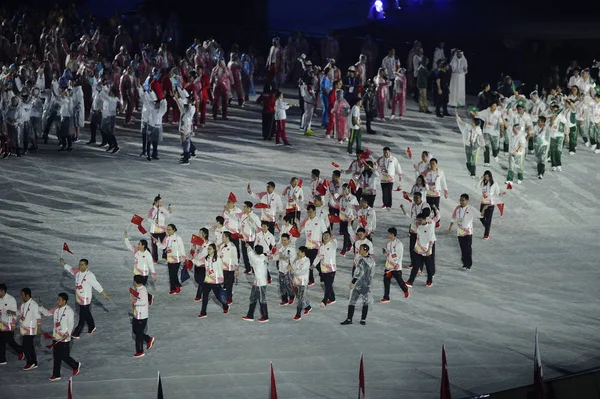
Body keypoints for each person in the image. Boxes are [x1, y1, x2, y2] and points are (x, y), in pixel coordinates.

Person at [59, 258, 109, 338]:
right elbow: (70, 269)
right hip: (79, 298)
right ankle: (92, 327)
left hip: (85, 299)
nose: (80, 266)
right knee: (86, 314)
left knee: (82, 317)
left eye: (82, 265)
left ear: (86, 265)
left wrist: (104, 294)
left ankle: (76, 333)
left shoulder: (90, 275)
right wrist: (63, 263)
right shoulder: (77, 272)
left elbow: (96, 285)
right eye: (79, 264)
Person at [40, 293, 80, 381]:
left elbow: (71, 324)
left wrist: (67, 333)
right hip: (56, 337)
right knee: (56, 357)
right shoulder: (56, 309)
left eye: (59, 300)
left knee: (65, 357)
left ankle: (75, 365)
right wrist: (40, 307)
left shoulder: (69, 311)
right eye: (57, 299)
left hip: (64, 338)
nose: (57, 301)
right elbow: (47, 313)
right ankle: (56, 374)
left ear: (64, 301)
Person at [341, 244, 375, 325]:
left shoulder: (361, 260)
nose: (359, 250)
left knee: (352, 302)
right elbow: (372, 273)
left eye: (361, 249)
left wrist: (353, 283)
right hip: (367, 285)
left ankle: (349, 319)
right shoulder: (372, 260)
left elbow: (358, 273)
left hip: (359, 284)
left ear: (365, 251)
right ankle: (363, 319)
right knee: (365, 302)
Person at [448, 194, 483, 270]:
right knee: (462, 248)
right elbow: (453, 217)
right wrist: (450, 226)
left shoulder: (471, 209)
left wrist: (484, 210)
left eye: (463, 200)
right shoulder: (457, 208)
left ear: (467, 201)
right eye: (460, 200)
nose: (461, 202)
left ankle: (468, 264)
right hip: (459, 232)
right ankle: (464, 263)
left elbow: (480, 215)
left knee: (467, 248)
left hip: (467, 232)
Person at [124, 231, 157, 305]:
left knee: (141, 288)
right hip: (136, 273)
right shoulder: (136, 250)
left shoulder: (147, 254)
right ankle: (147, 298)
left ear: (143, 246)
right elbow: (128, 245)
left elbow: (151, 264)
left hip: (144, 274)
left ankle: (148, 298)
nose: (137, 245)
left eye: (139, 244)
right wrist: (126, 237)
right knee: (139, 288)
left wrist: (154, 273)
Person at [406, 209, 436, 288]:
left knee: (429, 267)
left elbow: (432, 240)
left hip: (426, 251)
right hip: (418, 250)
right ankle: (410, 281)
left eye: (420, 220)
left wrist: (429, 250)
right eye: (418, 220)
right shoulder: (418, 226)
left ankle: (429, 281)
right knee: (415, 266)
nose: (418, 222)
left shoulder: (429, 228)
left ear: (424, 219)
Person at [198, 244, 230, 318]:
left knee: (218, 297)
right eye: (208, 249)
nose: (208, 250)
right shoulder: (206, 258)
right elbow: (199, 263)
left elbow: (220, 270)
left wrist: (221, 280)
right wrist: (192, 259)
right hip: (207, 281)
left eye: (210, 249)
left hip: (215, 282)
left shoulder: (218, 259)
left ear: (214, 250)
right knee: (205, 296)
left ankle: (226, 306)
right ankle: (203, 312)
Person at [156, 224, 186, 295]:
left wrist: (183, 257)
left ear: (174, 230)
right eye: (167, 229)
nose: (168, 231)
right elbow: (163, 247)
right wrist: (157, 243)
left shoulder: (178, 238)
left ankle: (177, 286)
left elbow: (182, 247)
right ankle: (173, 288)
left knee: (174, 274)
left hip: (177, 259)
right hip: (169, 259)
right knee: (171, 274)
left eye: (170, 229)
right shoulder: (166, 238)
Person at [242, 245, 269, 322]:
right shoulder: (263, 258)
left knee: (261, 299)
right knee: (253, 298)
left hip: (260, 283)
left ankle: (265, 316)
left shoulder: (259, 259)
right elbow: (252, 260)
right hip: (257, 282)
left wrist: (248, 247)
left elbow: (252, 256)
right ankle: (250, 315)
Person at [381, 227, 409, 302]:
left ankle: (405, 289)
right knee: (386, 281)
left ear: (392, 234)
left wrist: (397, 264)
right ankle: (386, 297)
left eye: (389, 234)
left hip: (396, 266)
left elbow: (400, 255)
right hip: (388, 266)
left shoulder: (399, 244)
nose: (388, 235)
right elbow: (388, 253)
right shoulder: (388, 243)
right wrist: (385, 253)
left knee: (399, 281)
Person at [130, 275, 155, 357]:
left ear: (135, 282)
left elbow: (144, 302)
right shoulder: (140, 289)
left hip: (142, 316)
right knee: (135, 331)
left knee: (138, 335)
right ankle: (148, 339)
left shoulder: (142, 291)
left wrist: (134, 302)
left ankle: (140, 351)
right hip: (137, 314)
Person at [456, 111, 485, 178]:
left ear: (475, 123)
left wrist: (483, 145)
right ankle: (469, 168)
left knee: (473, 159)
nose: (472, 122)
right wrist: (457, 117)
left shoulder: (478, 130)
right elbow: (461, 123)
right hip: (468, 144)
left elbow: (481, 138)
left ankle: (473, 173)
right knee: (468, 157)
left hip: (474, 145)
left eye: (473, 122)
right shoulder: (469, 126)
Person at [473, 101, 502, 166]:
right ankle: (486, 161)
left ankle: (495, 155)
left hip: (495, 133)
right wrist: (472, 112)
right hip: (487, 131)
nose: (494, 108)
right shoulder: (486, 112)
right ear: (490, 107)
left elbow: (501, 122)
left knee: (495, 147)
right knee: (486, 146)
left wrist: (502, 130)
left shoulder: (498, 113)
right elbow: (477, 114)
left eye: (495, 106)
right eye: (493, 106)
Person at [18, 287, 41, 370]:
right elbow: (20, 313)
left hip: (31, 329)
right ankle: (34, 362)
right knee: (30, 347)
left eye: (22, 295)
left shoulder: (34, 305)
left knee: (25, 346)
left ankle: (30, 362)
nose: (21, 296)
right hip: (24, 328)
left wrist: (39, 328)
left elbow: (38, 317)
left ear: (27, 295)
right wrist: (12, 312)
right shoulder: (23, 305)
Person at [0, 284, 23, 365]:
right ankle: (2, 359)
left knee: (10, 341)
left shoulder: (11, 299)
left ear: (2, 291)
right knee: (1, 342)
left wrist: (13, 324)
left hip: (9, 324)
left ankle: (20, 350)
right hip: (1, 324)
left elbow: (14, 312)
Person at [478, 170, 504, 240]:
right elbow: (476, 187)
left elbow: (498, 193)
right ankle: (487, 226)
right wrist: (480, 180)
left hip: (490, 203)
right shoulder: (483, 183)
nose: (486, 178)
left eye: (487, 176)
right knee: (480, 217)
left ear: (490, 176)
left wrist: (501, 194)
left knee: (488, 220)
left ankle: (486, 234)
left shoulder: (494, 183)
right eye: (485, 176)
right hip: (483, 202)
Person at [314, 230, 337, 306]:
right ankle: (332, 298)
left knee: (328, 286)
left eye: (327, 235)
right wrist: (313, 264)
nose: (326, 237)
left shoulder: (333, 245)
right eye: (324, 236)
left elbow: (335, 241)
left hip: (331, 270)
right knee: (327, 285)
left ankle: (324, 300)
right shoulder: (321, 247)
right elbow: (318, 257)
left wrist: (332, 234)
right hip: (323, 270)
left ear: (330, 237)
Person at [272, 233, 296, 305]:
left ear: (288, 240)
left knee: (288, 285)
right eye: (282, 240)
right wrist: (272, 257)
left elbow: (293, 260)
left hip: (288, 270)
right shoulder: (280, 248)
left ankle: (291, 296)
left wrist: (285, 258)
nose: (283, 241)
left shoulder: (292, 249)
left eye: (285, 240)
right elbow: (277, 257)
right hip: (281, 269)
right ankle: (284, 299)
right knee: (281, 284)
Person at [424, 158, 448, 226]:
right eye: (431, 164)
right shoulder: (426, 172)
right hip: (429, 193)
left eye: (433, 164)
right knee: (429, 207)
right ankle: (429, 220)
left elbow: (443, 181)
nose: (432, 165)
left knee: (436, 207)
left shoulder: (440, 172)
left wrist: (445, 190)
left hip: (436, 193)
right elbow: (422, 178)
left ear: (436, 164)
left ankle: (437, 221)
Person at [148, 195, 172, 263]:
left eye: (161, 202)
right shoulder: (152, 210)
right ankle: (155, 259)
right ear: (155, 202)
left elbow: (167, 215)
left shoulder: (162, 209)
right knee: (154, 246)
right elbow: (149, 219)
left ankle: (165, 256)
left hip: (162, 231)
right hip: (154, 231)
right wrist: (154, 221)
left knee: (165, 244)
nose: (161, 204)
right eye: (159, 202)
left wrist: (169, 211)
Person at [291, 246, 312, 321]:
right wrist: (293, 270)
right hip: (296, 281)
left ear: (303, 253)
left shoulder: (307, 261)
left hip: (302, 282)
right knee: (300, 296)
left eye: (299, 251)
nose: (298, 252)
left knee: (300, 298)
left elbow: (301, 271)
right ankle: (308, 307)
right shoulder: (297, 260)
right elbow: (293, 267)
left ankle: (298, 314)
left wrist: (294, 271)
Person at [192, 228, 211, 301]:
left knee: (201, 281)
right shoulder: (197, 242)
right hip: (196, 264)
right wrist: (193, 248)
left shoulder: (209, 244)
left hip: (204, 265)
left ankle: (198, 295)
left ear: (205, 234)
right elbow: (194, 251)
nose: (198, 234)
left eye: (200, 233)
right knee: (197, 280)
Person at [548, 103, 569, 172]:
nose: (555, 112)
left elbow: (566, 126)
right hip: (552, 135)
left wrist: (567, 135)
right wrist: (552, 119)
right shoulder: (551, 116)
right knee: (553, 150)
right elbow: (550, 125)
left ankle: (559, 164)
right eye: (554, 110)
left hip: (559, 135)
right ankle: (553, 165)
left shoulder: (562, 117)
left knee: (558, 150)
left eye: (556, 110)